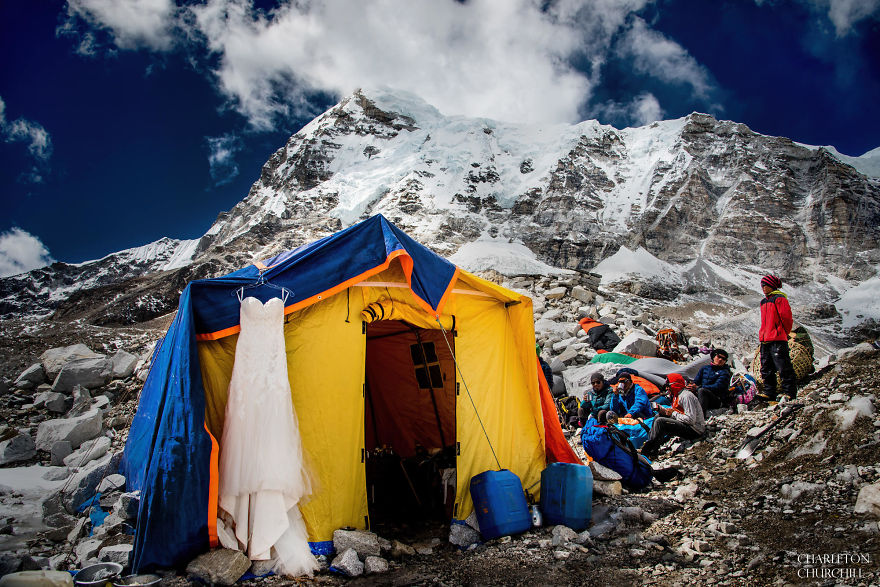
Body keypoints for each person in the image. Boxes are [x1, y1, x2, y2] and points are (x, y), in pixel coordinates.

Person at [641, 373, 705, 458]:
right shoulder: (676, 396)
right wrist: (662, 410)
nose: (667, 389)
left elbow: (690, 420)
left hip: (695, 429)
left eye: (668, 386)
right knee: (658, 417)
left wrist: (672, 414)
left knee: (661, 422)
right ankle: (650, 444)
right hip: (686, 424)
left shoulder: (686, 396)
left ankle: (651, 451)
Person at [756, 274, 796, 400]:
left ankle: (789, 392)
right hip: (765, 339)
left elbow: (786, 318)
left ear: (772, 285)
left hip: (777, 338)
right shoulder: (764, 301)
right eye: (762, 285)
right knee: (766, 367)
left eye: (765, 285)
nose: (763, 288)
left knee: (783, 367)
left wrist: (783, 333)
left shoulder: (779, 299)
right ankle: (769, 392)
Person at [690, 348, 733, 413]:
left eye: (723, 359)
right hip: (702, 393)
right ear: (713, 357)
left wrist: (698, 388)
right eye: (719, 357)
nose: (720, 359)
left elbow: (717, 387)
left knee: (702, 391)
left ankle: (701, 417)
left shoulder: (724, 373)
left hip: (716, 399)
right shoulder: (705, 368)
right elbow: (696, 381)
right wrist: (692, 386)